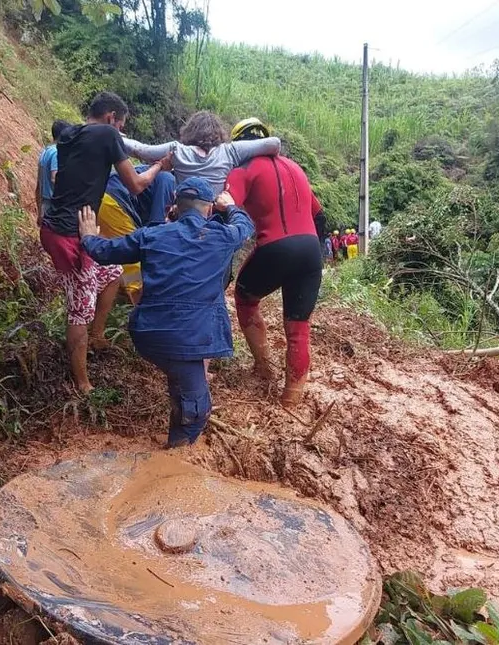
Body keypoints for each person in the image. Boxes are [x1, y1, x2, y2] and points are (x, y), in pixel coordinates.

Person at [78, 177, 255, 447]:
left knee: (182, 381)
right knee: (196, 411)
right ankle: (175, 464)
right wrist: (230, 206)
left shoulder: (151, 235)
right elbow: (245, 226)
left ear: (175, 207)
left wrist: (88, 236)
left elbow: (104, 251)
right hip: (190, 337)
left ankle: (178, 424)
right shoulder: (221, 237)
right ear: (208, 209)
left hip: (148, 334)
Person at [39, 91, 172, 394]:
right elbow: (137, 186)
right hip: (71, 234)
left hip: (60, 227)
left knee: (112, 272)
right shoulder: (108, 134)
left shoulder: (70, 133)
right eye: (121, 125)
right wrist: (159, 166)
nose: (121, 131)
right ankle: (82, 384)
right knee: (79, 308)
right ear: (112, 118)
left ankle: (96, 336)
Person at [225, 118, 326, 406]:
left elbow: (226, 206)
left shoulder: (243, 169)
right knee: (298, 328)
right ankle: (291, 400)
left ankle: (263, 367)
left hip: (274, 247)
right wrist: (315, 253)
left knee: (245, 297)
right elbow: (319, 215)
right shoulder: (295, 167)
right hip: (310, 251)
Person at [121, 111, 281, 195]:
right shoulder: (230, 151)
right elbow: (274, 143)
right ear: (218, 132)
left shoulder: (177, 150)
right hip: (214, 218)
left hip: (183, 213)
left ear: (191, 130)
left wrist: (113, 136)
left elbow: (141, 150)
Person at [96, 165, 176, 304]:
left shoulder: (150, 171)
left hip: (100, 197)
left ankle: (117, 297)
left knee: (114, 258)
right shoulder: (167, 179)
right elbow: (156, 225)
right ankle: (143, 309)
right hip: (113, 202)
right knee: (133, 263)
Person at [35, 119, 70, 222]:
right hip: (53, 205)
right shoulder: (56, 152)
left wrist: (39, 210)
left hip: (44, 203)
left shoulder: (46, 151)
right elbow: (55, 178)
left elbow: (38, 185)